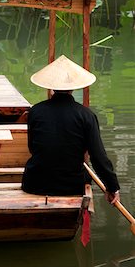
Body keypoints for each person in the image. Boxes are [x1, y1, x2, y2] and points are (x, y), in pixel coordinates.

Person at [22, 55, 120, 205]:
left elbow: (32, 148)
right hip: (71, 186)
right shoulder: (86, 115)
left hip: (35, 183)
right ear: (73, 88)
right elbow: (98, 156)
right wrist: (112, 186)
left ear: (51, 86)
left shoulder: (35, 111)